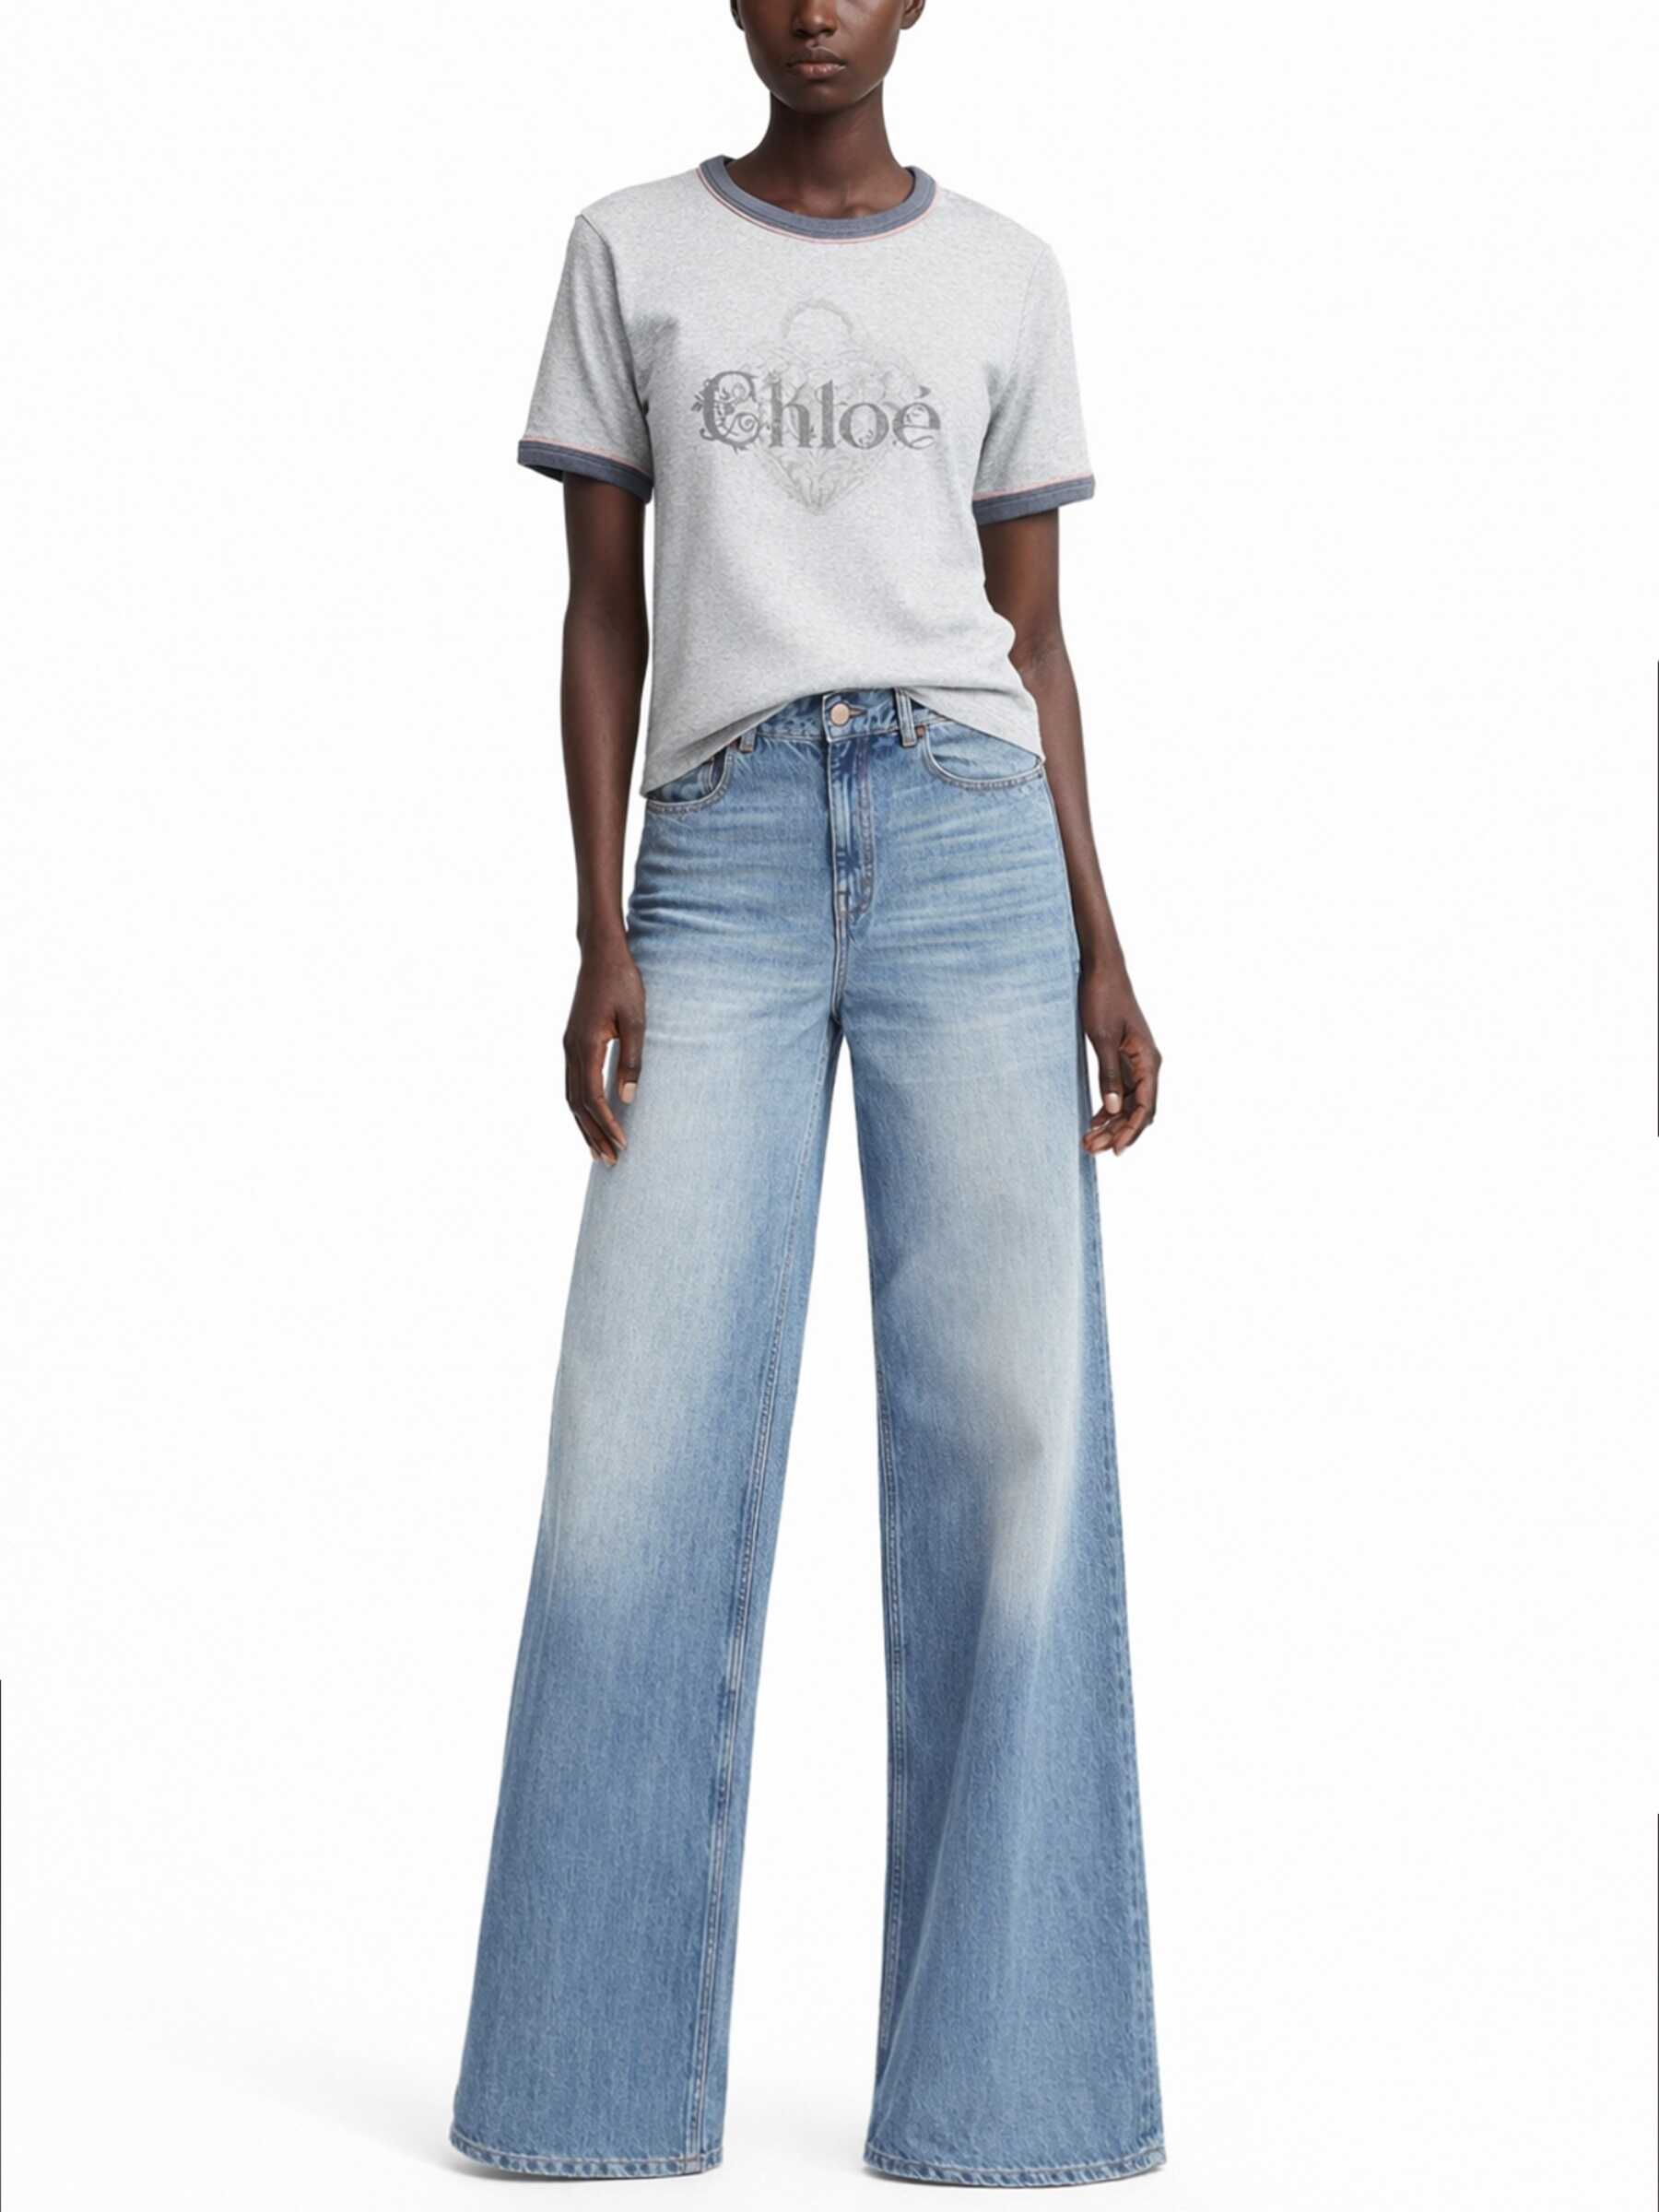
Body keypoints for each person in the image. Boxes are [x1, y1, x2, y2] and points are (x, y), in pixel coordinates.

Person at [451, 0, 1165, 2187]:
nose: (817, 8)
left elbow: (1034, 641)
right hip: (722, 857)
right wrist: (600, 925)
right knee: (634, 1448)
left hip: (973, 845)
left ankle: (1014, 2103)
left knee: (1015, 1451)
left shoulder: (1008, 274)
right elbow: (599, 616)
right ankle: (581, 2098)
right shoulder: (628, 248)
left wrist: (1104, 938)